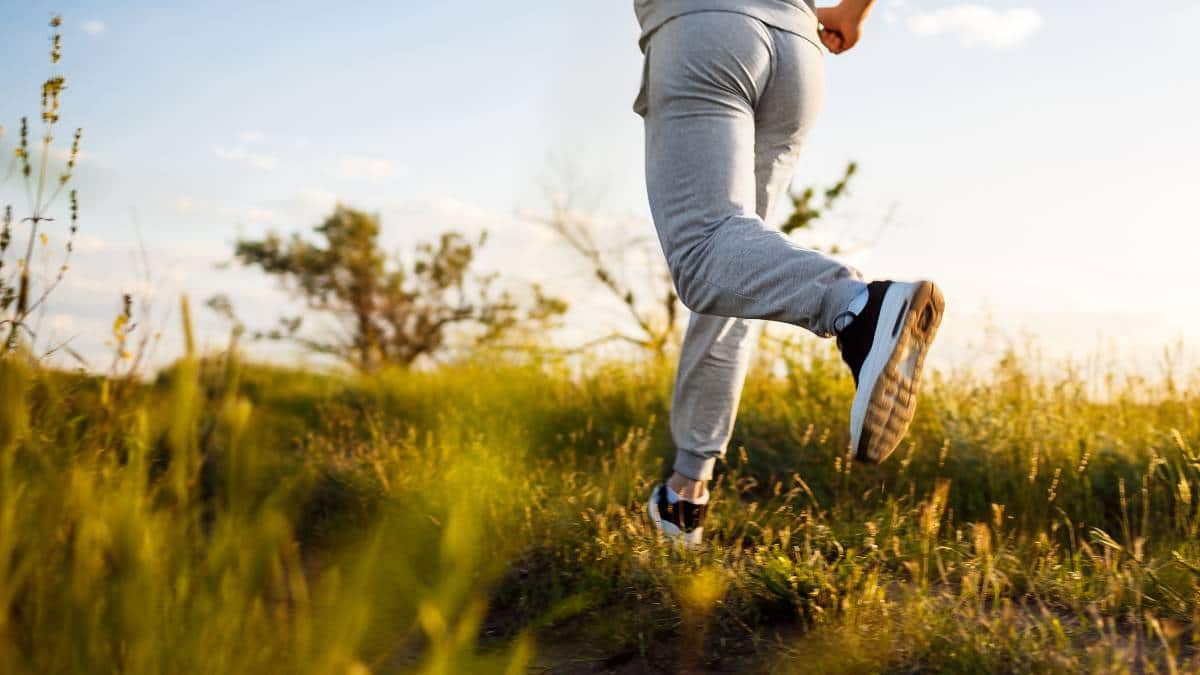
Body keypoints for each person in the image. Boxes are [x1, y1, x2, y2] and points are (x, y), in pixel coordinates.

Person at [637, 0, 945, 547]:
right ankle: (687, 494)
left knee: (706, 252)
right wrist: (854, 10)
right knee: (737, 271)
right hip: (796, 52)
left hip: (707, 34)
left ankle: (858, 307)